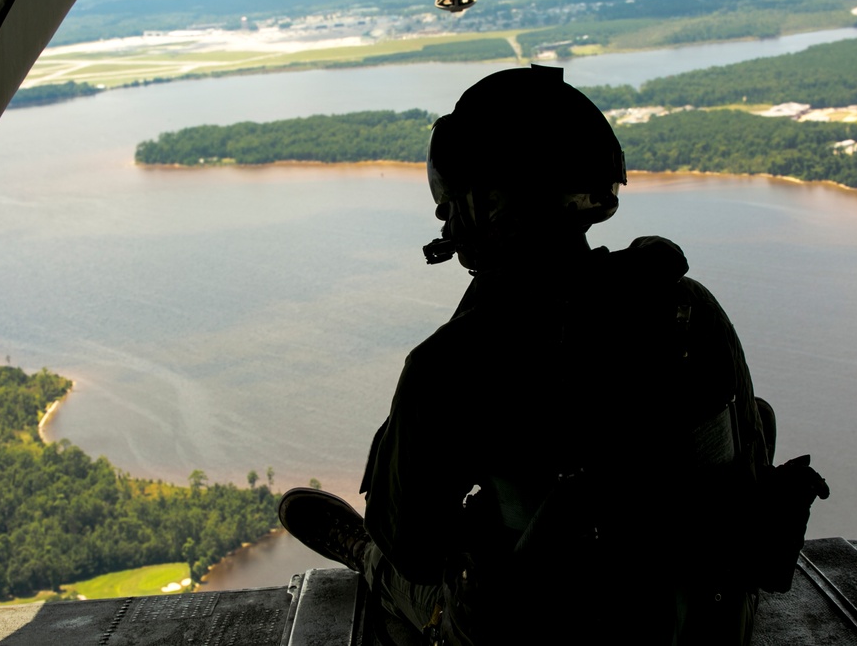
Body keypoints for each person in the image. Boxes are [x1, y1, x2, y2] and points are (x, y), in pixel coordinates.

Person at [280, 65, 825, 645]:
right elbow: (749, 476)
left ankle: (360, 557)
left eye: (451, 206)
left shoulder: (453, 361)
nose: (446, 219)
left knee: (402, 572)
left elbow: (413, 544)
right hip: (706, 625)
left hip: (540, 630)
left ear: (480, 207)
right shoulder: (687, 305)